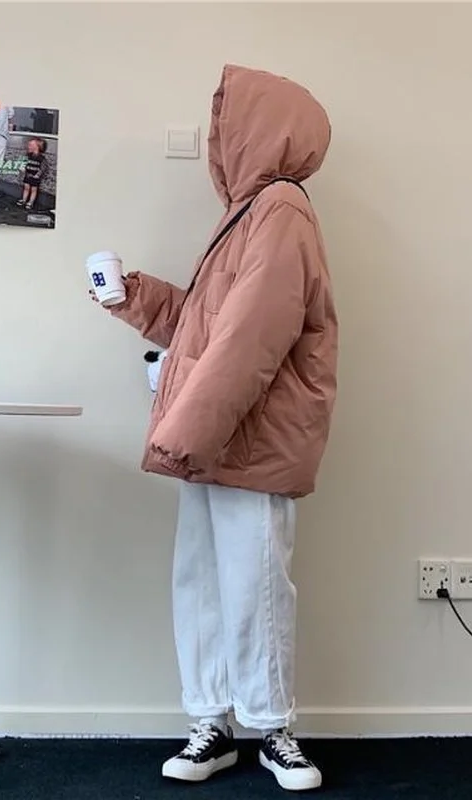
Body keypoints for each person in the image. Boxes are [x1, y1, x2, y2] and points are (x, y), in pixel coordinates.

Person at [92, 64, 337, 791]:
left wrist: (185, 432)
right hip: (217, 434)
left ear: (260, 131)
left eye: (227, 125)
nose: (217, 140)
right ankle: (213, 722)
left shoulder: (281, 209)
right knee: (201, 580)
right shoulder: (245, 215)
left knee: (255, 583)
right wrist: (133, 295)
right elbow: (206, 325)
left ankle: (274, 729)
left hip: (249, 437)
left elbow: (251, 337)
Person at [17, 137, 47, 210]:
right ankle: (24, 200)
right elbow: (24, 163)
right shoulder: (28, 156)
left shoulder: (41, 158)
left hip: (35, 176)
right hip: (27, 175)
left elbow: (43, 168)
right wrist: (23, 168)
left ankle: (31, 202)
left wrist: (38, 175)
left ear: (37, 147)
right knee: (26, 188)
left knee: (34, 190)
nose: (28, 147)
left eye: (30, 145)